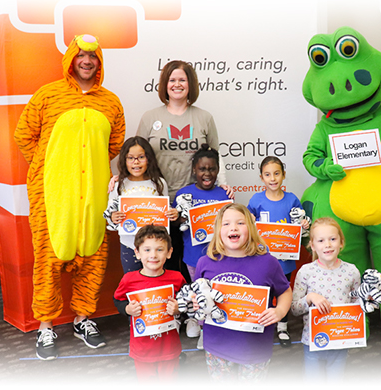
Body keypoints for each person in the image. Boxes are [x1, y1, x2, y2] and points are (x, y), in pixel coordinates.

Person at [14, 34, 125, 361]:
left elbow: (114, 144)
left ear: (99, 62)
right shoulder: (48, 95)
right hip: (51, 195)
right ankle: (45, 326)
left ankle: (83, 319)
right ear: (71, 60)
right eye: (81, 56)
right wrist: (50, 167)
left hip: (93, 194)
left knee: (93, 257)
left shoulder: (111, 102)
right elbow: (24, 136)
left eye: (93, 57)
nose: (87, 62)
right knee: (48, 260)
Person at [134, 60, 233, 280]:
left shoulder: (204, 117)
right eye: (172, 80)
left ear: (191, 84)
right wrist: (122, 180)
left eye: (182, 79)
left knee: (190, 257)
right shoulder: (150, 118)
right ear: (164, 84)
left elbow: (216, 156)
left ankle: (190, 306)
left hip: (194, 203)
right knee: (160, 256)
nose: (177, 84)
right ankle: (166, 309)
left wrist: (223, 183)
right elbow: (137, 156)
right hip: (157, 200)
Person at [194, 203, 292, 382]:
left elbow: (285, 291)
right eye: (226, 224)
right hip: (217, 346)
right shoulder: (204, 263)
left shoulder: (268, 263)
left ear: (251, 228)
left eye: (240, 223)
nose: (233, 227)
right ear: (217, 230)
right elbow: (197, 295)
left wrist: (280, 311)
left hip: (255, 348)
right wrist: (195, 303)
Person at [247, 156, 310, 347]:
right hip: (262, 259)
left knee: (282, 291)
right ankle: (262, 326)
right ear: (261, 177)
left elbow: (300, 225)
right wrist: (249, 219)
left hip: (285, 259)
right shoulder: (256, 200)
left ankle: (282, 327)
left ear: (283, 175)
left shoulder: (292, 200)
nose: (272, 178)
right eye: (267, 174)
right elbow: (248, 224)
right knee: (263, 292)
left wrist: (304, 224)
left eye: (276, 173)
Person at [290, 217, 361, 381]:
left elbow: (358, 305)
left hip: (341, 340)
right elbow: (294, 309)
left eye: (333, 239)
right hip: (312, 341)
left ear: (341, 242)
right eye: (321, 240)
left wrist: (369, 301)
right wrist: (310, 298)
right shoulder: (305, 272)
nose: (327, 245)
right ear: (313, 245)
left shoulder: (352, 271)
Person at [113, 225, 187, 381]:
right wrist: (127, 309)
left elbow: (188, 303)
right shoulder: (129, 280)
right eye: (147, 250)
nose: (153, 255)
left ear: (169, 253)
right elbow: (118, 300)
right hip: (142, 348)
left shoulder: (177, 278)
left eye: (159, 250)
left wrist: (179, 308)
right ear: (137, 253)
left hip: (169, 346)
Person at [172, 144, 230, 341]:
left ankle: (216, 323)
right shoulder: (183, 194)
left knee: (217, 291)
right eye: (202, 169)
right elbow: (175, 219)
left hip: (220, 256)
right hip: (193, 256)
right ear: (194, 170)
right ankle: (198, 322)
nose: (207, 173)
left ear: (218, 170)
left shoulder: (224, 195)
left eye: (212, 169)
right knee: (198, 291)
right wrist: (180, 219)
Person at [103, 136, 179, 273]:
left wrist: (172, 214)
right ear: (124, 160)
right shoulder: (118, 185)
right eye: (130, 158)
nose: (136, 162)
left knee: (156, 283)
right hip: (129, 245)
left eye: (141, 157)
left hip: (156, 247)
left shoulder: (159, 183)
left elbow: (165, 212)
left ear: (149, 159)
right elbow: (109, 217)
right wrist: (113, 217)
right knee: (133, 283)